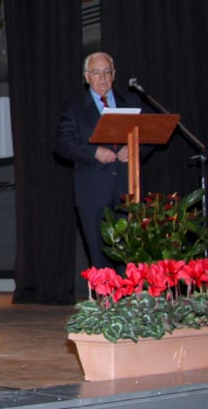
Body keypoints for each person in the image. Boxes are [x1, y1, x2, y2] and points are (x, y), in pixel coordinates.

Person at [54, 51, 145, 270]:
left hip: (127, 189)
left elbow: (150, 135)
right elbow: (62, 144)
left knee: (130, 255)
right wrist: (93, 152)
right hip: (93, 192)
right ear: (87, 76)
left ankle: (128, 293)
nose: (102, 78)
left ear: (114, 74)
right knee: (100, 257)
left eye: (106, 72)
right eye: (96, 72)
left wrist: (133, 149)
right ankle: (103, 293)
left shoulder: (131, 101)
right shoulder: (74, 107)